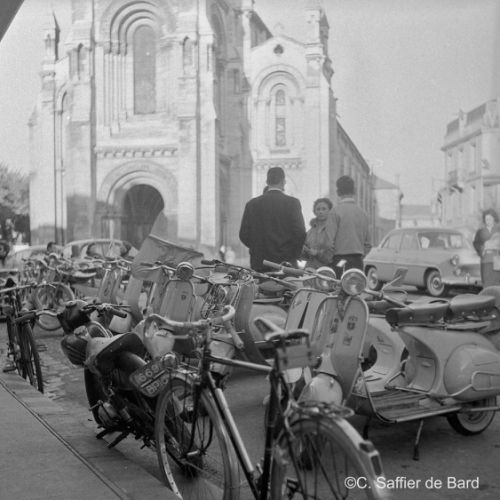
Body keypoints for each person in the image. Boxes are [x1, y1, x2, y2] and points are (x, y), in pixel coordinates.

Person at [239, 167, 306, 272]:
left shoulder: (252, 204)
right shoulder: (293, 203)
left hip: (260, 262)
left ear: (267, 182)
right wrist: (293, 254)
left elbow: (244, 234)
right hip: (286, 263)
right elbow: (300, 232)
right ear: (283, 182)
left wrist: (257, 248)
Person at [329, 175, 372, 277]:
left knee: (338, 284)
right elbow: (368, 244)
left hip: (340, 260)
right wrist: (360, 255)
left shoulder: (335, 212)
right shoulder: (363, 213)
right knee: (355, 285)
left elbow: (329, 242)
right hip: (357, 261)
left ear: (338, 192)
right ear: (354, 191)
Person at [302, 197, 335, 269]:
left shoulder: (334, 230)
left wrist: (317, 253)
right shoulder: (310, 231)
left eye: (324, 209)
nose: (320, 212)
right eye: (318, 209)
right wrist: (303, 251)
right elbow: (305, 255)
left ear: (330, 211)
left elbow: (334, 253)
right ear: (314, 212)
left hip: (326, 270)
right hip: (310, 270)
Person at [473, 208, 500, 286]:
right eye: (486, 219)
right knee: (487, 281)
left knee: (497, 281)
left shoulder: (499, 230)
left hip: (497, 260)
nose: (488, 221)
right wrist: (483, 248)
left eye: (490, 219)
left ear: (494, 219)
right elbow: (476, 243)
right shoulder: (480, 232)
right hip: (486, 260)